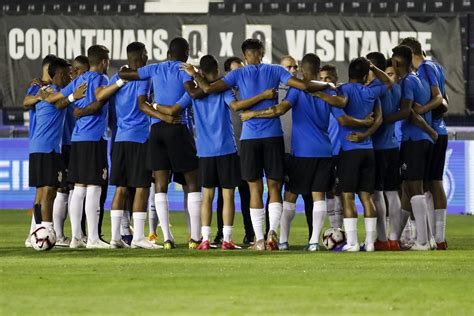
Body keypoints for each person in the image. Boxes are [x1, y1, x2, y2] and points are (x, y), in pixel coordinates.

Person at [181, 38, 333, 251]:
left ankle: (259, 240)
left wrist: (195, 74)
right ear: (262, 52)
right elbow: (305, 86)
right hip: (273, 136)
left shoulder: (237, 74)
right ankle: (272, 233)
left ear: (244, 56)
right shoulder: (275, 70)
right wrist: (328, 84)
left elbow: (206, 88)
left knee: (254, 189)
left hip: (250, 138)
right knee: (274, 187)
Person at [152, 55, 277, 249]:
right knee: (227, 196)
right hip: (226, 149)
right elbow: (236, 107)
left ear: (200, 72)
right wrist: (263, 97)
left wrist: (154, 105)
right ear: (217, 71)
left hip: (204, 151)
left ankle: (205, 239)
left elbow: (173, 110)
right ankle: (227, 239)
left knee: (207, 196)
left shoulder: (192, 94)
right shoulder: (223, 90)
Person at [241, 53, 343, 251]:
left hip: (302, 153)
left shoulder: (298, 91)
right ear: (317, 69)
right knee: (318, 196)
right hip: (324, 150)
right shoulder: (329, 92)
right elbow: (341, 111)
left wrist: (253, 113)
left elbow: (279, 110)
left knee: (290, 195)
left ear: (303, 71)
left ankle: (284, 240)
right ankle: (314, 242)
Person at [119, 37, 202, 250]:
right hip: (178, 128)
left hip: (156, 131)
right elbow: (192, 92)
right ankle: (194, 237)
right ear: (186, 53)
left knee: (161, 185)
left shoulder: (153, 69)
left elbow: (130, 84)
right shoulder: (184, 69)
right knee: (191, 182)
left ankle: (166, 238)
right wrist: (173, 110)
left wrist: (158, 110)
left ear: (167, 53)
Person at [318, 57, 392, 252]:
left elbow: (343, 121)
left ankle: (351, 243)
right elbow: (389, 82)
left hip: (349, 151)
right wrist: (373, 66)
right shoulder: (371, 92)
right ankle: (369, 244)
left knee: (347, 196)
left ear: (348, 73)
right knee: (367, 197)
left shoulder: (341, 91)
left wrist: (360, 127)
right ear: (366, 74)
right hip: (368, 150)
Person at [46, 45, 115, 249]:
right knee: (94, 186)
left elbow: (55, 101)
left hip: (77, 139)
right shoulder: (102, 80)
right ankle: (93, 238)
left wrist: (64, 97)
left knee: (79, 188)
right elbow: (99, 104)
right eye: (107, 60)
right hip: (94, 138)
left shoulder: (78, 80)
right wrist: (82, 111)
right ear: (103, 62)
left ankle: (77, 237)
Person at [107, 42, 162, 249]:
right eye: (146, 54)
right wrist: (162, 115)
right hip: (139, 138)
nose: (148, 58)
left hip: (120, 138)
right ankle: (138, 237)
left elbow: (105, 99)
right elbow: (143, 105)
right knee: (142, 187)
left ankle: (115, 238)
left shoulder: (116, 78)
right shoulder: (143, 78)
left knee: (121, 188)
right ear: (139, 58)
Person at [383, 45, 438, 251]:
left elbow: (408, 112)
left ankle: (422, 241)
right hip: (422, 139)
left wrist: (384, 120)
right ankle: (428, 238)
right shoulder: (420, 80)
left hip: (413, 140)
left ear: (398, 63)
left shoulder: (407, 82)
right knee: (409, 188)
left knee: (414, 188)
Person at [399, 37, 449, 250]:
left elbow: (439, 99)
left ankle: (433, 238)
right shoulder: (437, 67)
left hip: (431, 131)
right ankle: (435, 238)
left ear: (411, 53)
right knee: (430, 184)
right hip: (439, 130)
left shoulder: (426, 68)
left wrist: (421, 110)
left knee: (425, 184)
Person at [28, 58, 85, 239]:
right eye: (67, 73)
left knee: (44, 191)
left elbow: (58, 103)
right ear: (58, 74)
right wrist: (73, 96)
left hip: (44, 147)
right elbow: (54, 100)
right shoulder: (49, 90)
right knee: (48, 191)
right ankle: (46, 230)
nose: (69, 76)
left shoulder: (47, 90)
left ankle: (38, 232)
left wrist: (70, 97)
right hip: (48, 148)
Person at [214, 56, 254, 246]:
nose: (239, 74)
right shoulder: (223, 92)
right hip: (227, 150)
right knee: (223, 195)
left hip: (246, 149)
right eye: (235, 71)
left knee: (247, 194)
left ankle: (251, 233)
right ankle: (220, 234)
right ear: (228, 74)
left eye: (241, 69)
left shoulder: (249, 91)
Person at [365, 52, 402, 251]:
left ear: (371, 66)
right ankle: (394, 238)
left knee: (377, 194)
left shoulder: (373, 90)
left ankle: (382, 238)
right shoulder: (396, 89)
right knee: (393, 192)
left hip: (376, 147)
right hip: (393, 146)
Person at [23, 54, 58, 247]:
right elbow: (26, 102)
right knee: (44, 190)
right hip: (42, 143)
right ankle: (38, 231)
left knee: (46, 190)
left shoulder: (54, 87)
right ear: (49, 68)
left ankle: (36, 232)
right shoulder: (37, 87)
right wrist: (39, 95)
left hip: (49, 143)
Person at [320, 64, 344, 230]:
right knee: (328, 191)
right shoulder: (316, 98)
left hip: (341, 151)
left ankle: (340, 230)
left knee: (340, 191)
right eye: (321, 79)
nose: (324, 82)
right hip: (324, 151)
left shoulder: (342, 95)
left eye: (327, 78)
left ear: (335, 79)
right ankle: (333, 229)